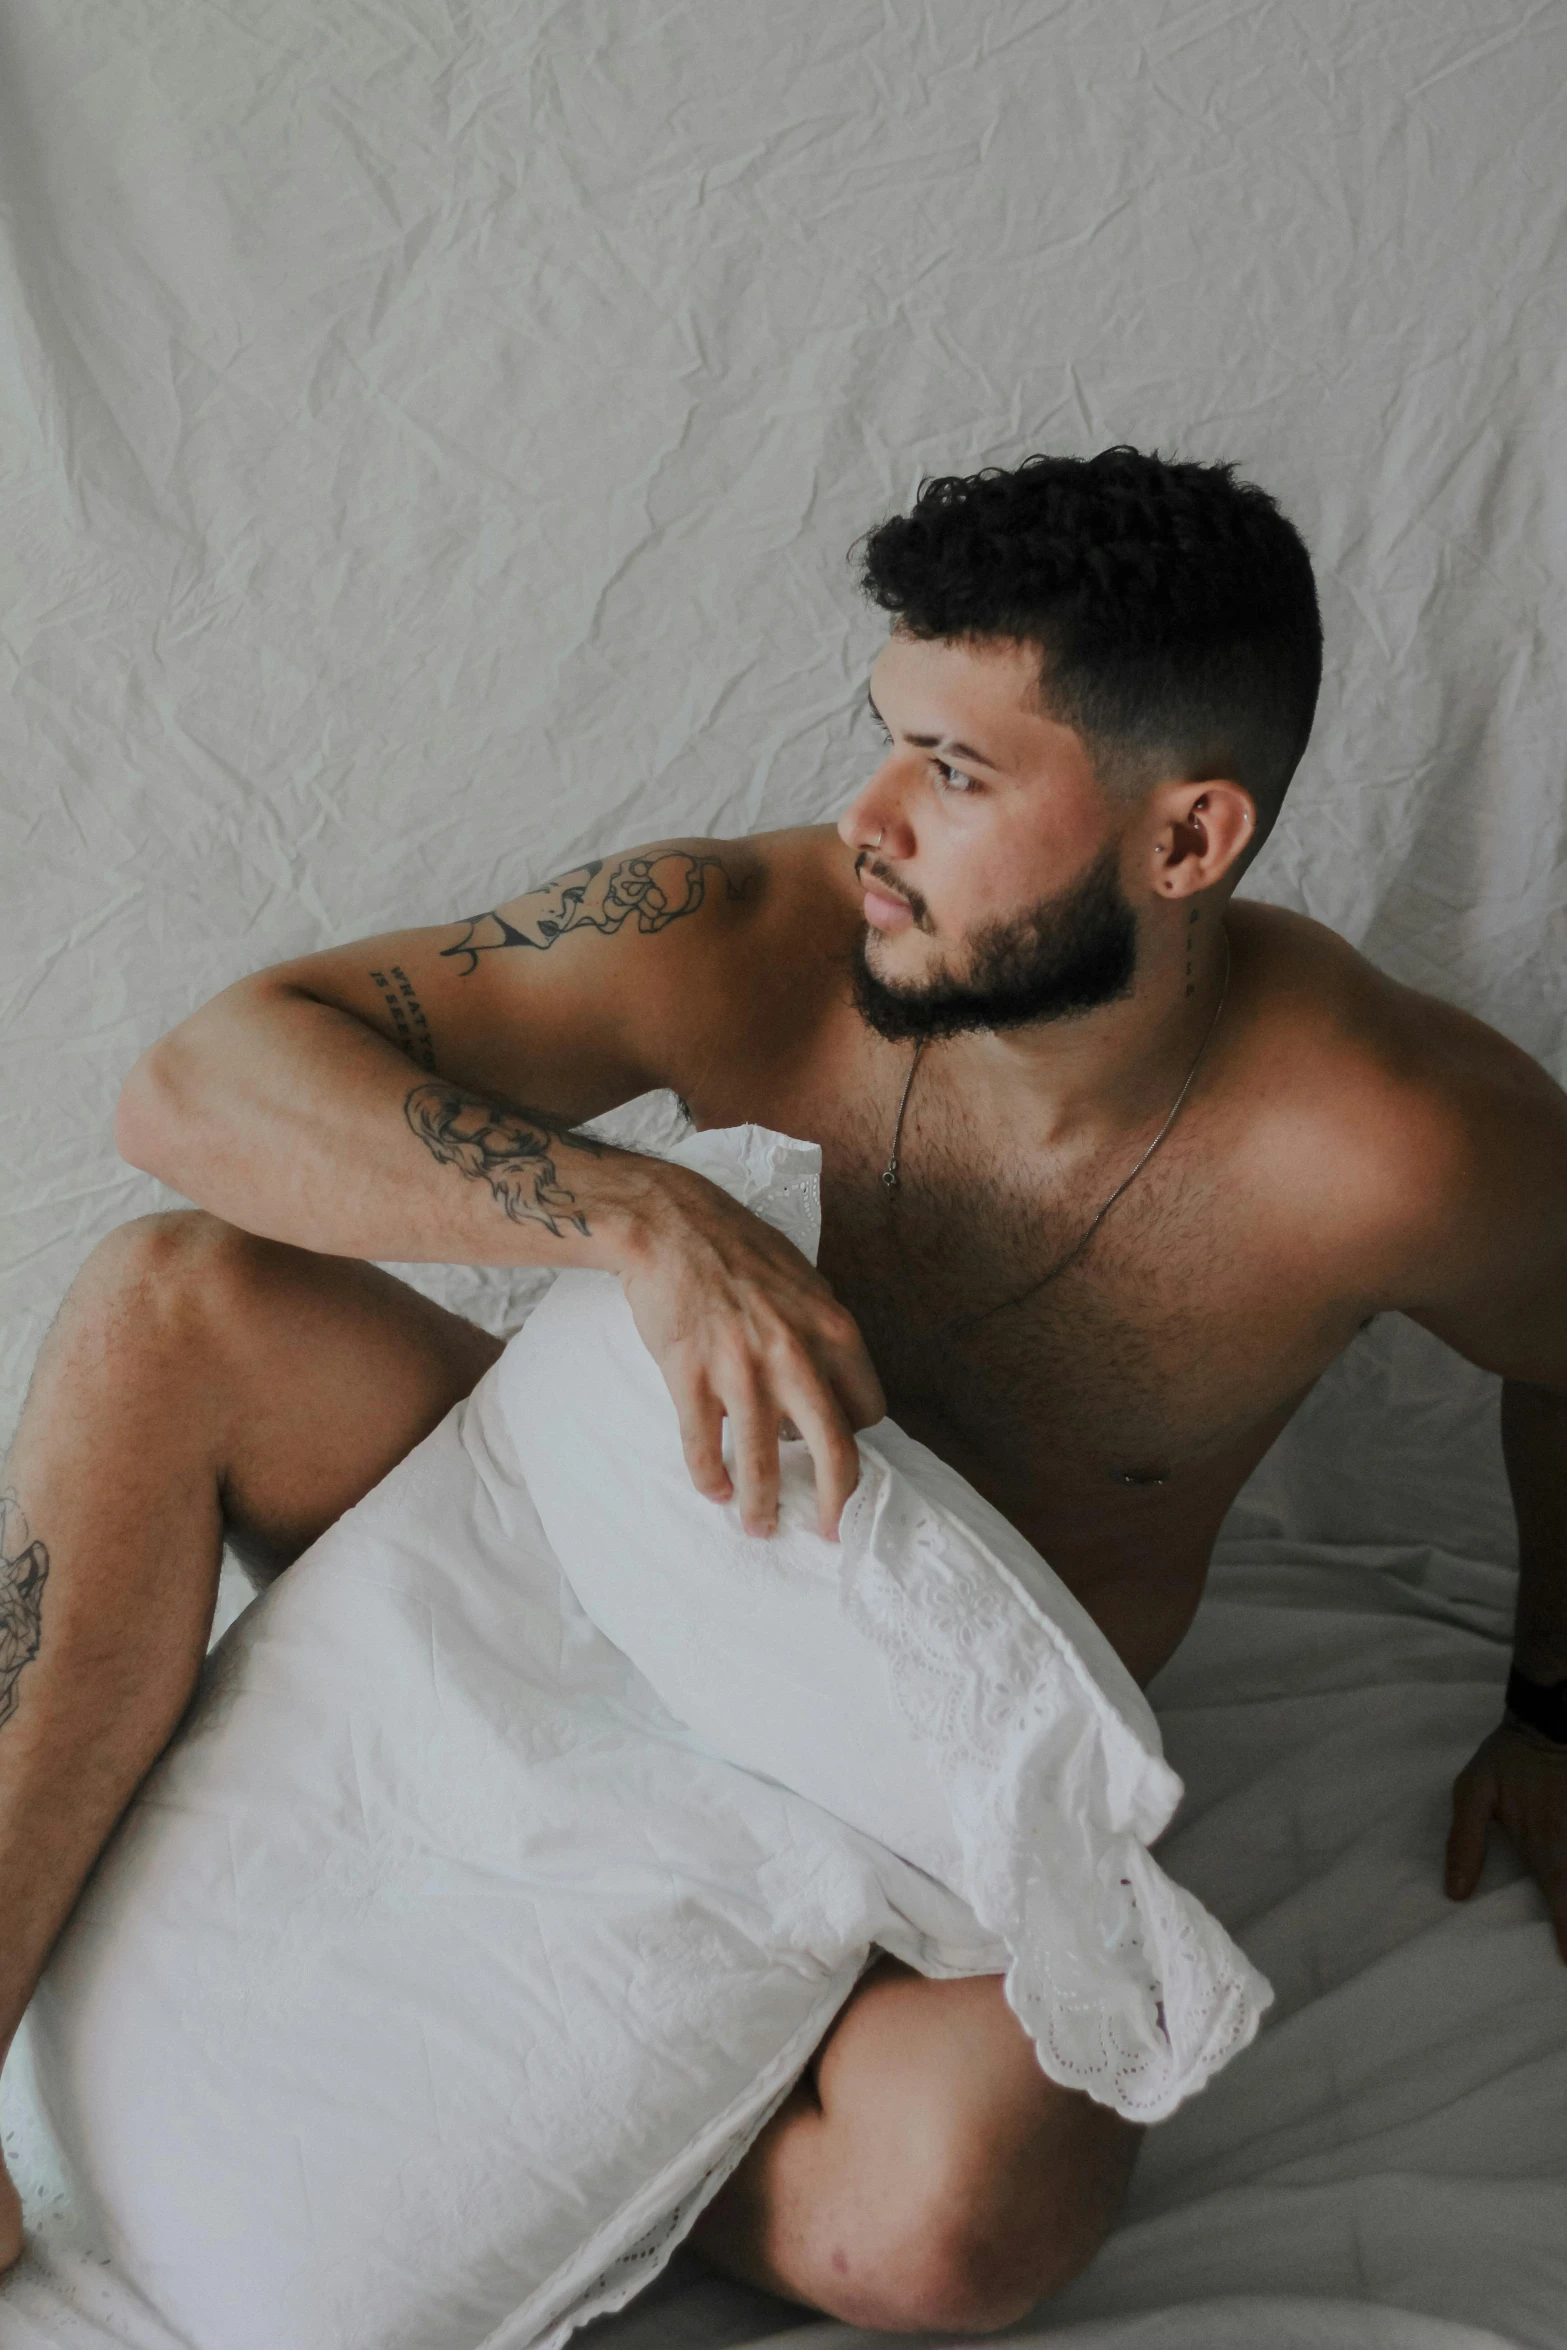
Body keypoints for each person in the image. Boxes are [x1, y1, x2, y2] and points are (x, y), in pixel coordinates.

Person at [4, 448, 1567, 2332]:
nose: (869, 818)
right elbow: (195, 1081)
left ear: (1187, 840)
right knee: (174, 1297)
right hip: (595, 1558)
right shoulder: (756, 933)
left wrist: (1549, 1701)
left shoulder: (1388, 1143)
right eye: (889, 737)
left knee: (965, 2213)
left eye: (958, 772)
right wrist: (637, 1213)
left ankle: (566, 2075)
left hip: (912, 1783)